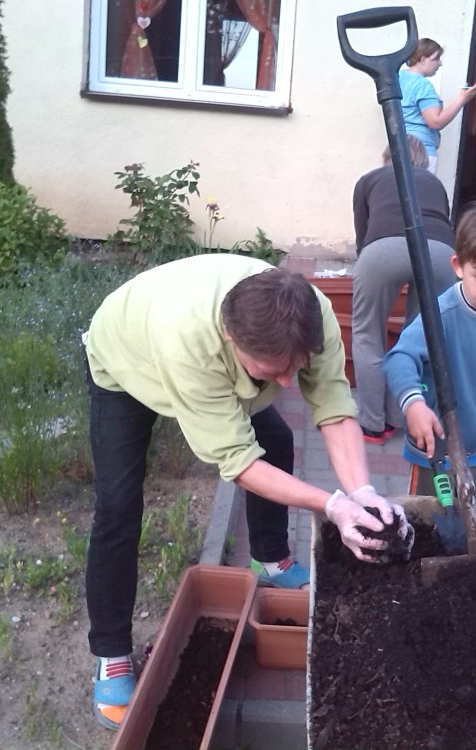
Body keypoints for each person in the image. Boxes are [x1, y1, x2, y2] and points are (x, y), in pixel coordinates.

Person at [82, 254, 412, 729]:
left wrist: (361, 491)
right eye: (273, 371)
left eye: (293, 368)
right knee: (118, 506)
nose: (286, 382)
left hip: (199, 341)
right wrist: (332, 505)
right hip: (126, 359)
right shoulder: (189, 345)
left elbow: (334, 406)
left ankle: (270, 559)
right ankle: (111, 652)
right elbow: (238, 463)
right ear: (233, 340)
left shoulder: (312, 315)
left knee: (275, 439)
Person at [383, 202, 476, 496]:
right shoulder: (439, 315)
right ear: (458, 266)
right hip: (434, 452)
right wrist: (413, 404)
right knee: (428, 516)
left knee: (473, 512)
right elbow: (399, 358)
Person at [351, 135, 458, 444]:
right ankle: (403, 416)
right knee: (421, 335)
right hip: (439, 253)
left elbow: (363, 234)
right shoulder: (435, 183)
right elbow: (444, 222)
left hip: (382, 250)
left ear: (387, 158)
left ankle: (372, 424)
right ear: (424, 161)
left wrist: (368, 264)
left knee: (367, 334)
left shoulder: (369, 179)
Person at [399, 37, 476, 173]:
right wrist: (462, 99)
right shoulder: (422, 85)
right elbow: (435, 122)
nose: (440, 63)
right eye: (436, 58)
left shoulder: (400, 78)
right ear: (423, 59)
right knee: (423, 187)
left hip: (400, 148)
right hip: (421, 152)